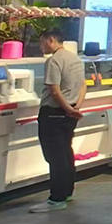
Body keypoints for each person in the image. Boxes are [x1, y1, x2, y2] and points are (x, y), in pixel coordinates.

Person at [30, 29, 86, 213]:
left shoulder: (54, 60)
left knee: (55, 157)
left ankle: (56, 198)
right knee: (65, 152)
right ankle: (67, 192)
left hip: (53, 113)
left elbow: (54, 90)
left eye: (42, 42)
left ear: (51, 40)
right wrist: (75, 107)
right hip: (70, 112)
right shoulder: (75, 58)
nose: (41, 47)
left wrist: (67, 108)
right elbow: (83, 85)